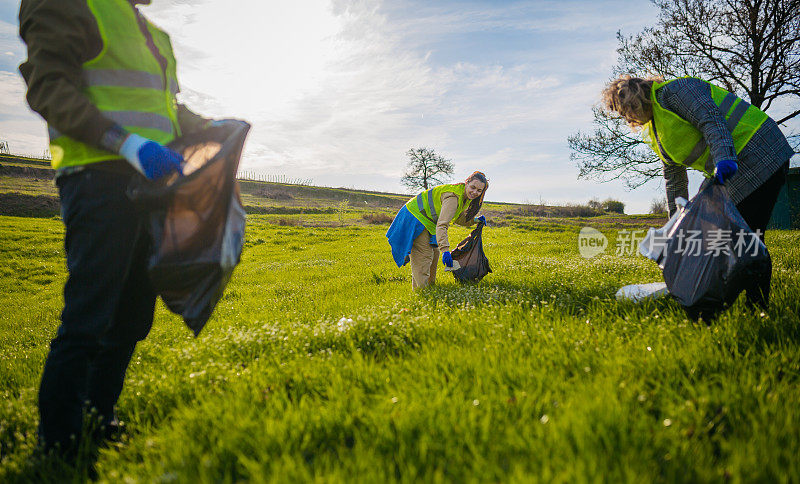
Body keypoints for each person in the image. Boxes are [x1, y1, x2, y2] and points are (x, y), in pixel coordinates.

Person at [18, 0, 215, 456]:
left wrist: (208, 127)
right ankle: (60, 445)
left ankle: (98, 417)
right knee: (91, 313)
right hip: (99, 177)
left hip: (152, 184)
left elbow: (163, 108)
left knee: (131, 315)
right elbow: (48, 86)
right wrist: (125, 144)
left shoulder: (150, 31)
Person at [602, 75, 794, 308]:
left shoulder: (676, 91)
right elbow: (674, 179)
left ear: (636, 98)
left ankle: (755, 309)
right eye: (623, 115)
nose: (628, 118)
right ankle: (723, 304)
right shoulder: (656, 131)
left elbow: (711, 120)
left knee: (747, 238)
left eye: (626, 110)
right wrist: (678, 228)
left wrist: (724, 158)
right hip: (731, 167)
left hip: (760, 150)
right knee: (727, 239)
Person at [387, 171, 488, 289]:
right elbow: (442, 225)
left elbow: (458, 218)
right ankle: (422, 292)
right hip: (415, 216)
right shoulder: (454, 197)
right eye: (473, 187)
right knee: (424, 255)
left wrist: (475, 220)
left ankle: (431, 287)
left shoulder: (463, 196)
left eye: (479, 191)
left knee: (434, 253)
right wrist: (445, 250)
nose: (475, 192)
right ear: (466, 182)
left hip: (426, 220)